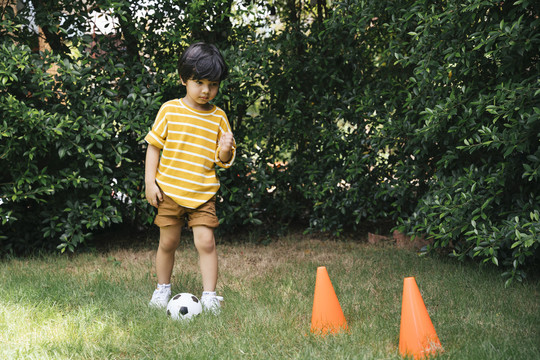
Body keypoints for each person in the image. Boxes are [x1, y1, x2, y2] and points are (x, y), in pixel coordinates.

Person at [144, 42, 235, 313]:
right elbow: (153, 146)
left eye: (213, 84)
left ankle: (209, 295)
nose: (206, 90)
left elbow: (224, 161)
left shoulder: (219, 118)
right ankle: (162, 289)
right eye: (199, 82)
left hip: (203, 193)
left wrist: (226, 149)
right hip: (169, 191)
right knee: (168, 242)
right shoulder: (170, 110)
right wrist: (150, 182)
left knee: (206, 242)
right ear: (183, 79)